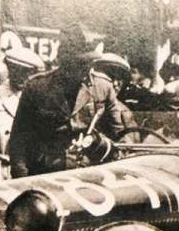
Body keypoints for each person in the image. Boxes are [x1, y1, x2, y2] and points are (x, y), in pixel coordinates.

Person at [8, 23, 124, 178]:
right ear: (64, 61)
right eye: (80, 63)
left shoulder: (103, 87)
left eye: (90, 62)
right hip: (46, 173)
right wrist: (22, 178)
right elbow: (19, 140)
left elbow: (120, 135)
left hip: (90, 174)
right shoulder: (37, 87)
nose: (87, 68)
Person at [0, 47, 44, 178]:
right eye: (20, 71)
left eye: (29, 73)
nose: (25, 78)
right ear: (9, 69)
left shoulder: (36, 99)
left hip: (28, 170)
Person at [93, 53, 138, 135]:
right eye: (110, 76)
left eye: (119, 79)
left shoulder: (123, 113)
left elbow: (128, 143)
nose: (115, 83)